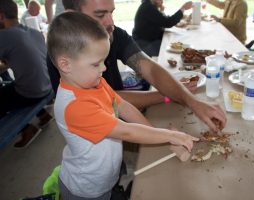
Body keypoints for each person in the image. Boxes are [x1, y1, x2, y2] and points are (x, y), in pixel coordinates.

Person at [48, 11, 199, 199]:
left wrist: (163, 137)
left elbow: (124, 107)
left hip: (105, 177)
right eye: (96, 64)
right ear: (65, 64)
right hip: (86, 190)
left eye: (104, 61)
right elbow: (126, 131)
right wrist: (170, 135)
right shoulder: (75, 106)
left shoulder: (95, 81)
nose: (104, 68)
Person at [48, 0, 227, 133]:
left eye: (111, 12)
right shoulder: (63, 55)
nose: (110, 22)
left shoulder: (115, 34)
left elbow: (150, 68)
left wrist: (193, 102)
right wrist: (164, 96)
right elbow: (106, 100)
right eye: (100, 15)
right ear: (72, 15)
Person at [0, 0, 53, 148]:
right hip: (47, 88)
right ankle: (43, 114)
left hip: (31, 93)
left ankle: (26, 129)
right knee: (12, 85)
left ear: (1, 16)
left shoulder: (5, 35)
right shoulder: (34, 32)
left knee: (8, 91)